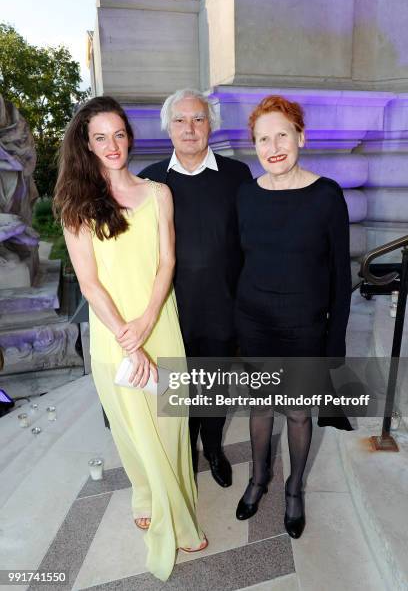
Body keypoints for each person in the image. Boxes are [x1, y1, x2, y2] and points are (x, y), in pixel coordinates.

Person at [53, 96, 206, 582]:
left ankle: (169, 494)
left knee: (169, 422)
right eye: (100, 137)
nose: (112, 145)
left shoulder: (159, 192)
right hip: (113, 333)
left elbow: (167, 263)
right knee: (133, 428)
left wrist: (147, 322)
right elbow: (90, 283)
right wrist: (128, 338)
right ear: (86, 144)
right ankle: (160, 508)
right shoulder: (76, 205)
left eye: (119, 134)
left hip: (160, 324)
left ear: (129, 137)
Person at [235, 95, 352, 538]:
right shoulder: (246, 195)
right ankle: (258, 477)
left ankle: (294, 487)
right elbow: (239, 263)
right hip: (255, 323)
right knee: (261, 407)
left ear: (301, 136)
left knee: (299, 414)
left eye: (282, 133)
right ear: (255, 147)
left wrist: (333, 345)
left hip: (305, 327)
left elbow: (342, 276)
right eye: (263, 138)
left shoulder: (326, 195)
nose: (274, 145)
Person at [139, 89, 252, 487]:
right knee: (178, 391)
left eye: (198, 119)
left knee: (215, 388)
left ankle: (215, 449)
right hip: (172, 309)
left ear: (211, 126)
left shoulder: (237, 176)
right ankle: (184, 455)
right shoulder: (149, 180)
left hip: (223, 304)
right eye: (181, 120)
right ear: (168, 128)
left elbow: (250, 241)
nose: (190, 128)